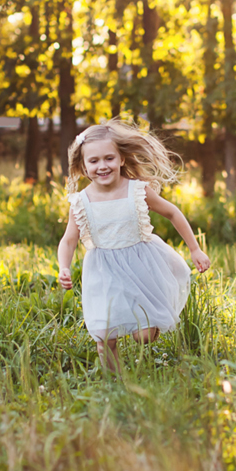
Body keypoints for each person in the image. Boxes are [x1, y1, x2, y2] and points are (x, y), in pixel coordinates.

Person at [57, 120, 212, 372]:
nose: (102, 166)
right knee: (104, 336)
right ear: (83, 165)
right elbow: (69, 240)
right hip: (102, 271)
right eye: (94, 161)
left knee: (145, 336)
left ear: (121, 159)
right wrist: (64, 266)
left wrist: (195, 248)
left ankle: (145, 327)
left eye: (109, 158)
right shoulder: (81, 201)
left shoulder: (136, 190)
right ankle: (116, 383)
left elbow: (172, 213)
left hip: (141, 265)